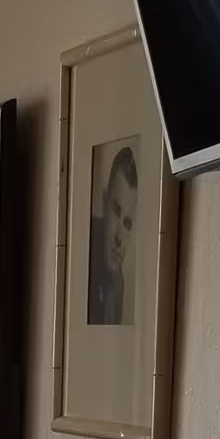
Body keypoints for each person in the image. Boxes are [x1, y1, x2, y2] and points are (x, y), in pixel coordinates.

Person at [87, 140, 139, 326]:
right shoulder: (81, 250)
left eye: (127, 224)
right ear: (104, 202)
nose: (119, 238)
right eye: (116, 211)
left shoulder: (118, 284)